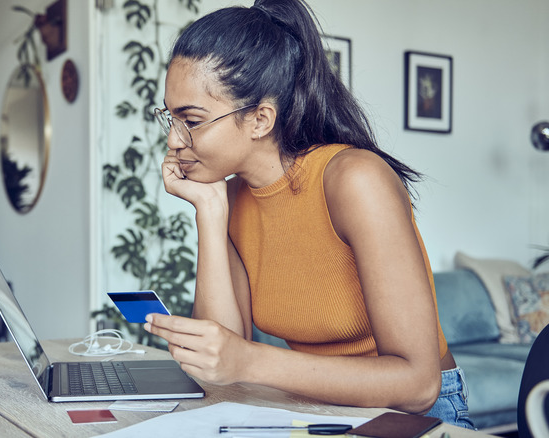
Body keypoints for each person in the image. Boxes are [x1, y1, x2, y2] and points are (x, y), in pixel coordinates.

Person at [144, 0, 475, 429]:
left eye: (191, 119)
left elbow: (417, 385)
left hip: (414, 418)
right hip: (316, 410)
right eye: (170, 118)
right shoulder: (229, 197)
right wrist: (208, 210)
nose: (174, 140)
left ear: (260, 119)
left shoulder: (355, 179)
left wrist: (249, 361)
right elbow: (221, 365)